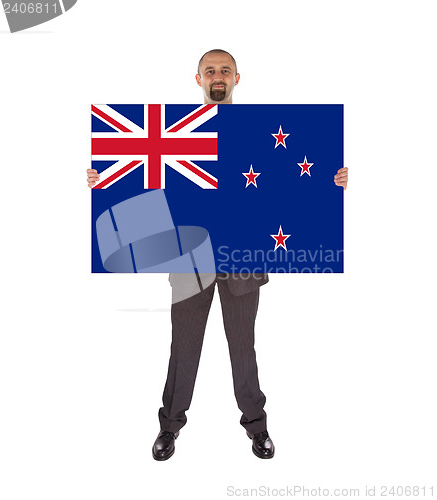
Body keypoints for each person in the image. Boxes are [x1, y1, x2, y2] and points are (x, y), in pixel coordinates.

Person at [87, 49, 349, 461]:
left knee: (243, 348)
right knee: (184, 347)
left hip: (243, 262)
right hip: (189, 262)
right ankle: (169, 426)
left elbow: (287, 183)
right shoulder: (177, 135)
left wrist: (329, 182)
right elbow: (146, 187)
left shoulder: (264, 133)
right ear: (198, 79)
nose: (217, 76)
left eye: (224, 70)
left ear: (237, 78)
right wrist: (104, 180)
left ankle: (256, 426)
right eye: (210, 70)